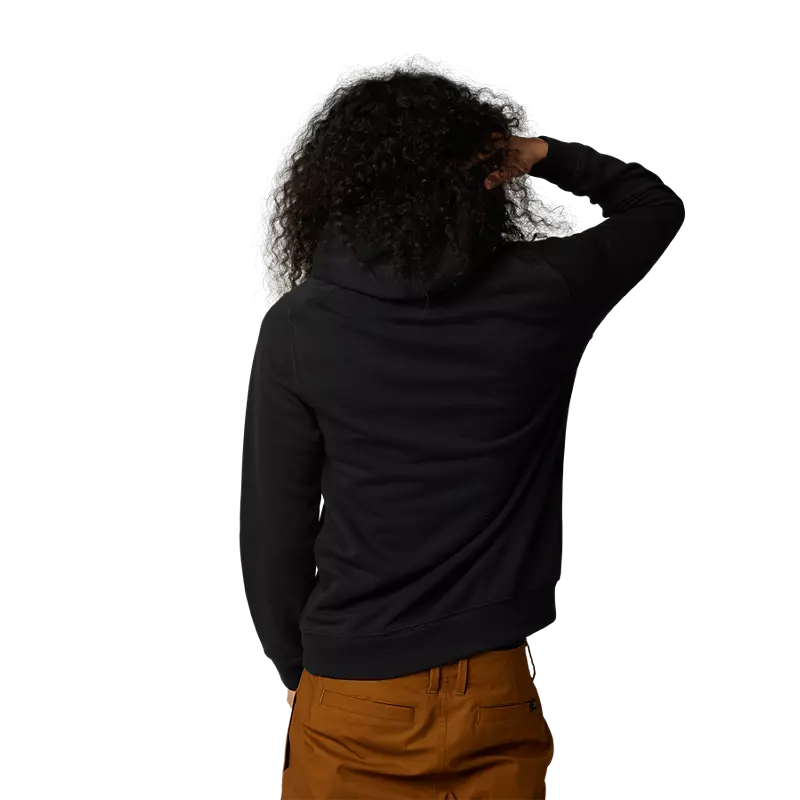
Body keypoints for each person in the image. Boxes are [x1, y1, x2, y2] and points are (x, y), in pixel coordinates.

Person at [239, 51, 685, 799]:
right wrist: (541, 154)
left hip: (351, 691)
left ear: (340, 189)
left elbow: (273, 534)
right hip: (492, 687)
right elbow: (653, 207)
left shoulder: (300, 327)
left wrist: (296, 669)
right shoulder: (547, 291)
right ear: (482, 178)